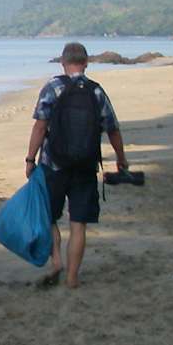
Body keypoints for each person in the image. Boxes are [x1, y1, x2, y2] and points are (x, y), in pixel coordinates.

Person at [25, 41, 130, 290]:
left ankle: (57, 262)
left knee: (49, 217)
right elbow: (113, 129)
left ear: (63, 62)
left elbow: (40, 126)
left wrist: (30, 159)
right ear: (86, 63)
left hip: (54, 164)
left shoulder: (53, 87)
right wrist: (121, 158)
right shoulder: (96, 91)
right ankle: (72, 277)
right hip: (85, 165)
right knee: (78, 223)